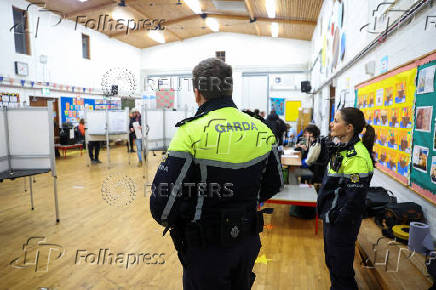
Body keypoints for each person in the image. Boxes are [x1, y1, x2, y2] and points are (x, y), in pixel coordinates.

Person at [150, 58, 283, 290]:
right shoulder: (262, 129)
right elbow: (274, 184)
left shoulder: (189, 132)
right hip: (247, 241)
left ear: (197, 93)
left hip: (205, 249)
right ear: (230, 89)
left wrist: (183, 219)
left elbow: (162, 204)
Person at [317, 107, 375, 290]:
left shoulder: (357, 157)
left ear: (349, 127)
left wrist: (337, 218)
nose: (331, 123)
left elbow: (354, 198)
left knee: (341, 270)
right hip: (332, 216)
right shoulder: (342, 147)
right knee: (333, 263)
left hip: (341, 222)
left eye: (336, 120)